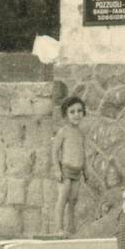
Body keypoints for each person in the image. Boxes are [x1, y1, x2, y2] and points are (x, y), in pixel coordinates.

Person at [50, 96, 87, 235]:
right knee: (63, 198)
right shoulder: (63, 131)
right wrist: (57, 170)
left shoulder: (81, 133)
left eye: (79, 111)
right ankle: (59, 228)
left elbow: (83, 153)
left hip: (77, 173)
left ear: (83, 112)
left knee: (73, 200)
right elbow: (54, 151)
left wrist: (86, 170)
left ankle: (70, 228)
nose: (76, 114)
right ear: (66, 114)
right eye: (72, 112)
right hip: (65, 171)